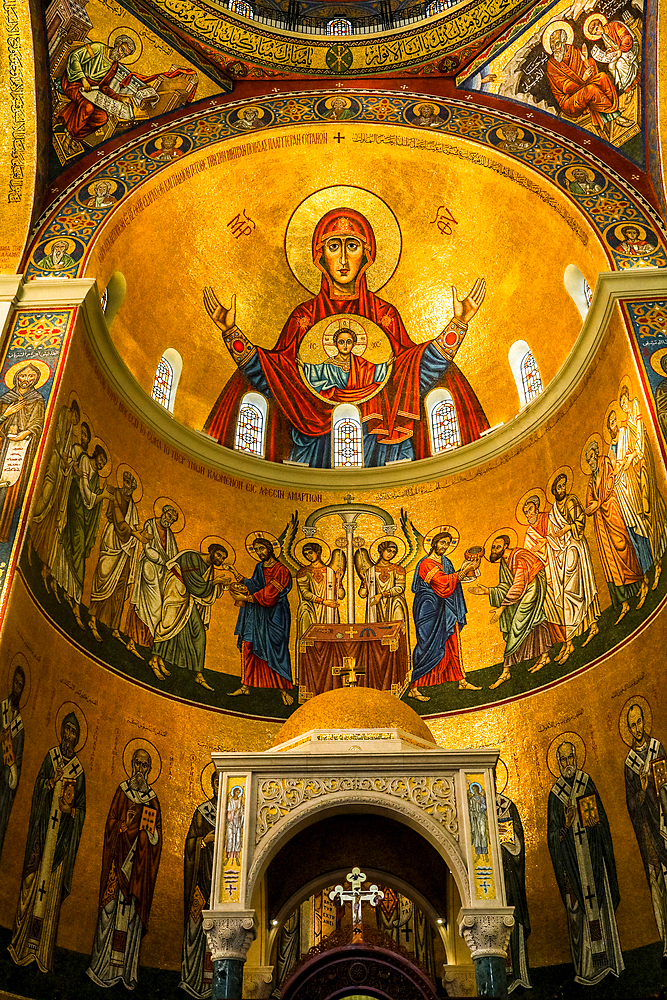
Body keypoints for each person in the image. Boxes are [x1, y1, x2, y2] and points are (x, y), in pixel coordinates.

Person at [203, 207, 489, 466]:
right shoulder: (303, 317)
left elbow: (412, 370)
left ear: (366, 254)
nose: (342, 259)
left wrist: (459, 323)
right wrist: (231, 332)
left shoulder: (384, 314)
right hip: (314, 442)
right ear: (320, 256)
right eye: (333, 247)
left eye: (351, 246)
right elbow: (277, 376)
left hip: (381, 441)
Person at [8, 712, 86, 972]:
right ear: (61, 731)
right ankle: (20, 945)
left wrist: (72, 811)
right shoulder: (51, 757)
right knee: (32, 885)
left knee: (49, 893)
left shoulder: (78, 770)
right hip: (43, 836)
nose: (68, 736)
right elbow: (37, 787)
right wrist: (49, 784)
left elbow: (82, 809)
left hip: (60, 843)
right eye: (66, 730)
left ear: (77, 738)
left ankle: (41, 952)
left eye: (73, 733)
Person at [547, 740, 623, 986]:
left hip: (593, 862)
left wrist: (594, 825)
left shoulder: (586, 783)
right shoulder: (555, 795)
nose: (568, 764)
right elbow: (552, 839)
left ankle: (610, 962)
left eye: (571, 758)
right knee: (578, 917)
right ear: (557, 763)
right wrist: (567, 825)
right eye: (563, 760)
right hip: (573, 868)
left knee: (602, 909)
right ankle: (587, 969)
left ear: (576, 758)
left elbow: (602, 823)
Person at [87, 748, 162, 989]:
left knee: (130, 921)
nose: (139, 770)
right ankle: (100, 967)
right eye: (137, 764)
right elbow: (110, 824)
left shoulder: (152, 800)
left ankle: (125, 973)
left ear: (149, 770)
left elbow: (157, 839)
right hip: (116, 866)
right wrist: (124, 825)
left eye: (144, 766)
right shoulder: (122, 792)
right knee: (109, 911)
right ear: (131, 765)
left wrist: (150, 835)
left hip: (137, 872)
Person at [470, 535, 553, 688]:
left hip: (533, 586)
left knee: (517, 625)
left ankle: (506, 670)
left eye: (497, 547)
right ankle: (544, 656)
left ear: (505, 546)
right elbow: (505, 586)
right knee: (535, 619)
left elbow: (518, 586)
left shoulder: (519, 558)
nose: (494, 550)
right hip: (523, 589)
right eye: (493, 547)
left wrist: (502, 608)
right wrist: (488, 591)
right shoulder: (504, 562)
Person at [410, 531, 481, 701]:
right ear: (434, 543)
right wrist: (464, 571)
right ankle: (414, 687)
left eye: (447, 544)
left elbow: (452, 580)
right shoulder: (426, 563)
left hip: (446, 606)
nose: (444, 546)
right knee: (427, 645)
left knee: (452, 642)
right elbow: (442, 583)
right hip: (429, 609)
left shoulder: (446, 561)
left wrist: (470, 571)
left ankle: (460, 680)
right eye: (442, 542)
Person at [149, 543, 229, 689]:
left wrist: (218, 585)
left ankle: (198, 674)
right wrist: (215, 582)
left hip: (188, 598)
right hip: (175, 591)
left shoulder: (210, 569)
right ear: (210, 551)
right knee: (168, 624)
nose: (220, 559)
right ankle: (155, 659)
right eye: (219, 555)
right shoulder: (191, 557)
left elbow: (202, 589)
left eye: (223, 558)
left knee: (199, 632)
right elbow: (195, 585)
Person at [623, 704, 667, 964]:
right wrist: (641, 787)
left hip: (664, 824)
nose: (637, 728)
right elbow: (631, 804)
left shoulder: (657, 748)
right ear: (628, 728)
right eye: (632, 725)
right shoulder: (629, 764)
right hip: (648, 835)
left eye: (640, 722)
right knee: (656, 885)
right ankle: (665, 944)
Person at [584, 439, 643, 623]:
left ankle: (641, 585)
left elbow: (609, 485)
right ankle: (624, 603)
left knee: (624, 547)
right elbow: (589, 500)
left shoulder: (605, 464)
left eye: (592, 457)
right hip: (601, 523)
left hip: (613, 512)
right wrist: (589, 508)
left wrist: (598, 503)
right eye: (588, 460)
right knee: (610, 564)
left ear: (596, 454)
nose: (591, 462)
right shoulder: (590, 479)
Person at [228, 537, 294, 704]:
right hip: (257, 613)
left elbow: (271, 593)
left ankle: (283, 690)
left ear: (269, 549)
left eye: (261, 548)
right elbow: (255, 584)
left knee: (276, 650)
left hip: (276, 614)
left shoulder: (282, 570)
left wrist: (248, 598)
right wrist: (236, 574)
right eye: (256, 550)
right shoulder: (259, 567)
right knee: (248, 645)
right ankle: (246, 685)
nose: (259, 552)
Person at [51, 442, 108, 628]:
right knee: (76, 543)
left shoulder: (96, 474)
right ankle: (75, 599)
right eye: (101, 460)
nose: (100, 464)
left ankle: (65, 587)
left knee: (79, 547)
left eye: (103, 463)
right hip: (76, 506)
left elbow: (92, 498)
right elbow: (86, 493)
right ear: (96, 454)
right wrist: (101, 496)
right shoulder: (84, 460)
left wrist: (99, 495)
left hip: (82, 513)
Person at [546, 473, 600, 662]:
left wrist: (568, 528)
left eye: (564, 485)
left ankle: (593, 624)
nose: (562, 489)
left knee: (582, 588)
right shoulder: (553, 509)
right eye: (559, 487)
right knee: (568, 593)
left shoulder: (571, 501)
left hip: (575, 547)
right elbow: (551, 534)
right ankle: (575, 634)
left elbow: (580, 521)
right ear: (554, 491)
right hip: (562, 553)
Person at [618, 383, 667, 590]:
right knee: (645, 513)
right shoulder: (625, 425)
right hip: (636, 469)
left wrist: (633, 457)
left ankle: (660, 550)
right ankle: (657, 556)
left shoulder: (637, 406)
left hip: (643, 463)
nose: (624, 405)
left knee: (650, 506)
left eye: (624, 401)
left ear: (629, 399)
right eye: (621, 403)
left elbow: (640, 436)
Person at [87, 470, 143, 643]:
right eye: (125, 482)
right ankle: (93, 618)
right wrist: (136, 535)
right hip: (113, 540)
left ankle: (114, 627)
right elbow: (119, 522)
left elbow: (132, 524)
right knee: (102, 578)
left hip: (126, 549)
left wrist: (136, 534)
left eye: (130, 484)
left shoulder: (132, 503)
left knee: (120, 585)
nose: (127, 486)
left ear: (133, 487)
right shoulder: (115, 494)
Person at [29, 398, 80, 583]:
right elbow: (58, 441)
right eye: (74, 419)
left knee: (53, 502)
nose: (74, 423)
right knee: (46, 492)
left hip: (60, 470)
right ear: (72, 412)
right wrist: (64, 459)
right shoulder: (64, 414)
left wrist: (69, 465)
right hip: (53, 465)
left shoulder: (70, 432)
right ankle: (29, 520)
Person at [607, 406, 651, 607]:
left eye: (615, 421)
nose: (614, 425)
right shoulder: (610, 449)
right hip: (620, 492)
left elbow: (634, 451)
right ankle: (645, 575)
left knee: (640, 527)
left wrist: (626, 463)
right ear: (609, 428)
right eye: (611, 423)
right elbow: (611, 472)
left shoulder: (626, 433)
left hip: (630, 485)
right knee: (631, 533)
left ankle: (652, 566)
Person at [180, 771, 219, 998]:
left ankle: (211, 983)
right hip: (200, 880)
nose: (217, 785)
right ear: (212, 785)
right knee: (195, 928)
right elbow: (189, 843)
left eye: (220, 781)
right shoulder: (202, 812)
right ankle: (190, 979)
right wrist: (203, 841)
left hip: (221, 884)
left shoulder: (231, 813)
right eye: (214, 781)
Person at [125, 503, 180, 657]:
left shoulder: (170, 535)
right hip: (148, 570)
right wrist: (165, 562)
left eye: (172, 520)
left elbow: (174, 555)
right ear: (163, 512)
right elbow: (147, 549)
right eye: (168, 516)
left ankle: (144, 643)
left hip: (161, 574)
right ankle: (132, 642)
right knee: (146, 606)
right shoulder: (150, 524)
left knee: (158, 607)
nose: (168, 521)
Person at [0, 363, 45, 542]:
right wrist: (7, 413)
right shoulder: (5, 399)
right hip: (1, 444)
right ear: (16, 376)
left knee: (9, 489)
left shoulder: (37, 400)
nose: (26, 380)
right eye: (23, 376)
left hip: (17, 451)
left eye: (31, 377)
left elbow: (38, 423)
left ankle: (2, 530)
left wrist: (25, 433)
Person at [545, 28, 617, 136]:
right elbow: (565, 87)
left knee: (602, 77)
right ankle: (615, 117)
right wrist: (583, 79)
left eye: (557, 44)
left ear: (564, 41)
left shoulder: (573, 51)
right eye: (552, 46)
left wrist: (586, 61)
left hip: (583, 86)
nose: (555, 49)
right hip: (569, 99)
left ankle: (611, 110)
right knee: (591, 90)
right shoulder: (552, 65)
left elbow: (589, 71)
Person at [294, 541, 344, 695]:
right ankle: (307, 680)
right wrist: (324, 601)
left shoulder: (330, 571)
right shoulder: (303, 572)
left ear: (319, 552)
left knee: (329, 644)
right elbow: (305, 594)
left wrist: (339, 581)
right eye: (305, 553)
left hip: (328, 613)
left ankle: (329, 679)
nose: (308, 556)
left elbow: (341, 595)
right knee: (310, 644)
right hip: (309, 611)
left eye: (310, 552)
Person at [496, 783, 531, 993]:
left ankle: (520, 974)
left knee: (513, 920)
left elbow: (518, 843)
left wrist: (507, 840)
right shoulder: (475, 805)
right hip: (490, 878)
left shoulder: (506, 806)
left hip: (510, 875)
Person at [299, 327, 389, 403]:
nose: (345, 345)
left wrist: (386, 365)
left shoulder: (361, 362)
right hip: (336, 399)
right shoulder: (328, 365)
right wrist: (304, 366)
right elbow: (316, 371)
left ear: (354, 344)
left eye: (349, 342)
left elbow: (375, 369)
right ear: (335, 344)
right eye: (341, 342)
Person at [0, 663, 25, 858]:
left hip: (4, 788)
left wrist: (12, 773)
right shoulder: (2, 709)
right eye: (15, 683)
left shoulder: (20, 725)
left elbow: (19, 760)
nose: (17, 688)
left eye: (20, 685)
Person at [588, 15, 639, 96]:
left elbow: (627, 38)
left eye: (597, 29)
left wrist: (621, 50)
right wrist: (610, 50)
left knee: (619, 64)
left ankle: (630, 86)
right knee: (611, 66)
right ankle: (623, 86)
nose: (598, 33)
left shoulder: (615, 25)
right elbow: (612, 46)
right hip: (619, 51)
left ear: (600, 24)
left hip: (629, 47)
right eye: (595, 33)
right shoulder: (604, 36)